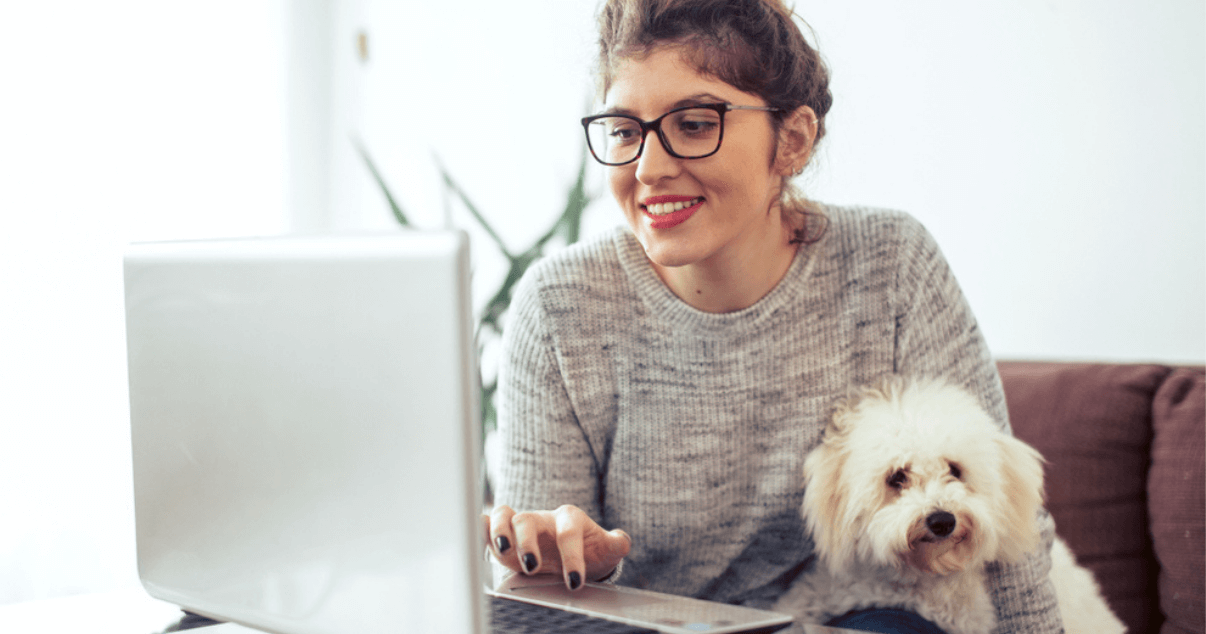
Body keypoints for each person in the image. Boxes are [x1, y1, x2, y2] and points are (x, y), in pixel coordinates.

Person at [485, 1, 1063, 633]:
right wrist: (573, 563)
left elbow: (1009, 518)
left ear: (791, 140)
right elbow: (536, 601)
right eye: (625, 131)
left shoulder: (892, 265)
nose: (647, 169)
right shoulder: (559, 307)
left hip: (846, 618)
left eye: (696, 123)